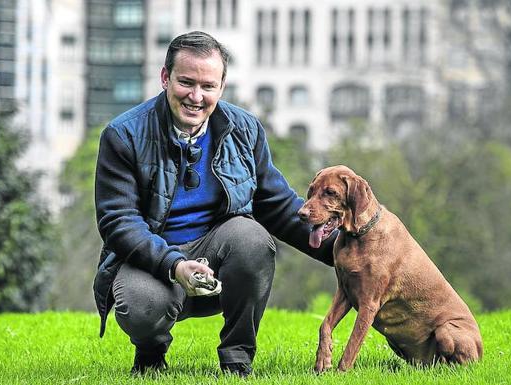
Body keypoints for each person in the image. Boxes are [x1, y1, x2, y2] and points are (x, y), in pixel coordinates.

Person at [93, 31, 335, 377]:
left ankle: (237, 358)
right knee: (142, 306)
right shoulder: (123, 135)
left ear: (222, 87)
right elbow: (119, 222)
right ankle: (150, 354)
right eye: (186, 83)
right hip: (154, 261)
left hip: (219, 256)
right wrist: (175, 265)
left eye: (208, 86)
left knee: (251, 236)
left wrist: (347, 252)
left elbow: (278, 206)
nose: (196, 96)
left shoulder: (245, 129)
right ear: (165, 78)